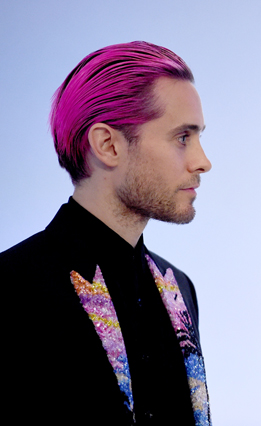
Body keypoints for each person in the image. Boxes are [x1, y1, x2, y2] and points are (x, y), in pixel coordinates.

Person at [1, 41, 212, 426]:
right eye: (183, 137)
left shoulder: (180, 290)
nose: (203, 161)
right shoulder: (10, 287)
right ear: (108, 145)